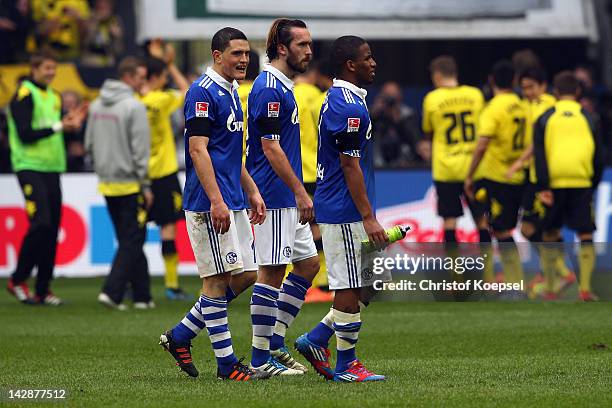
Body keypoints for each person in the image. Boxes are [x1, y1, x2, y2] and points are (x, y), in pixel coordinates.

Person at [158, 27, 269, 381]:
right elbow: (197, 149)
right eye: (236, 53)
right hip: (209, 203)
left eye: (247, 54)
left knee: (248, 273)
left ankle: (181, 335)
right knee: (216, 280)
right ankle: (226, 365)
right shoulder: (202, 93)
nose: (243, 60)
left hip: (232, 199)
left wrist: (250, 189)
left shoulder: (232, 91)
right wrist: (216, 199)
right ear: (217, 55)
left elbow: (228, 152)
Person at [295, 35, 386, 382]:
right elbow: (350, 166)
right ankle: (347, 365)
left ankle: (317, 339)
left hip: (346, 207)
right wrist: (368, 216)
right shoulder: (347, 106)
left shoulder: (344, 99)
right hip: (344, 210)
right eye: (367, 57)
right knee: (350, 286)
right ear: (351, 64)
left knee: (368, 285)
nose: (373, 62)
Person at [245, 18, 320, 376]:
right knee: (271, 273)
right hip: (274, 195)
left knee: (308, 265)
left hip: (285, 196)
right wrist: (299, 191)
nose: (309, 50)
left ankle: (274, 343)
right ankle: (260, 361)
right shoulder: (268, 88)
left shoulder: (284, 86)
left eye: (309, 43)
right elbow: (270, 147)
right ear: (281, 49)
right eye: (302, 44)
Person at [6, 50, 84, 305]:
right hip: (29, 166)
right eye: (47, 67)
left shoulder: (53, 95)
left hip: (52, 167)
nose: (51, 72)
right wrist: (60, 126)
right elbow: (25, 133)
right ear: (34, 68)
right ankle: (17, 279)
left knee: (51, 229)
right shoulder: (24, 93)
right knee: (41, 223)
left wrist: (71, 127)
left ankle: (42, 288)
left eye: (54, 68)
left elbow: (56, 130)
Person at [84, 56, 153, 310]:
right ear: (128, 77)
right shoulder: (133, 106)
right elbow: (140, 149)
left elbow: (89, 143)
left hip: (107, 182)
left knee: (130, 238)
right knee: (132, 240)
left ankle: (142, 296)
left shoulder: (95, 105)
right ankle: (112, 292)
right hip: (131, 183)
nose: (142, 83)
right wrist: (145, 184)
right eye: (140, 78)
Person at [505, 67, 575, 297]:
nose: (527, 92)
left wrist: (518, 163)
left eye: (531, 87)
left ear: (543, 86)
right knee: (533, 229)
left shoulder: (547, 106)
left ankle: (558, 271)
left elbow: (538, 143)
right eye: (523, 88)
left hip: (543, 179)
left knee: (535, 229)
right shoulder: (532, 105)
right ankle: (554, 270)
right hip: (534, 177)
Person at [534, 71, 604, 301]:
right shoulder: (589, 117)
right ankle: (584, 289)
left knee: (550, 233)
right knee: (585, 233)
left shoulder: (545, 118)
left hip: (553, 183)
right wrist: (593, 182)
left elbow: (540, 155)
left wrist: (543, 185)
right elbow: (599, 155)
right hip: (581, 181)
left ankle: (552, 289)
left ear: (555, 92)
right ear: (577, 92)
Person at [464, 60, 527, 295]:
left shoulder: (493, 108)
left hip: (497, 177)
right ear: (514, 80)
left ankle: (514, 283)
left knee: (500, 230)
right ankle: (491, 280)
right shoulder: (523, 106)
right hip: (517, 176)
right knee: (491, 225)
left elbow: (482, 145)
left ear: (492, 81)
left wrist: (470, 175)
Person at [139, 51, 191, 301]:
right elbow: (187, 91)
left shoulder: (133, 101)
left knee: (133, 233)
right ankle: (171, 284)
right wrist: (171, 66)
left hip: (138, 174)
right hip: (164, 172)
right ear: (158, 77)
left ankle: (130, 282)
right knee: (168, 228)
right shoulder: (160, 98)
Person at [421, 56, 488, 244]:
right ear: (455, 73)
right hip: (474, 168)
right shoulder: (475, 95)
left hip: (446, 169)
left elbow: (428, 130)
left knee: (449, 221)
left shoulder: (432, 99)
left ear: (436, 76)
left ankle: (454, 272)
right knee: (482, 220)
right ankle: (488, 270)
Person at [293, 62, 334, 303]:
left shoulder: (283, 93)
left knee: (289, 229)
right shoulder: (319, 97)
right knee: (318, 228)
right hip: (314, 169)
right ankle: (323, 282)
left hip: (288, 171)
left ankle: (290, 282)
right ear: (314, 74)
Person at [370, 81, 421, 166]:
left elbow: (415, 140)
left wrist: (397, 119)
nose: (390, 100)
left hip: (403, 163)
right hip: (377, 163)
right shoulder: (374, 114)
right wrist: (374, 114)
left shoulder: (408, 114)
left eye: (393, 95)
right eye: (387, 95)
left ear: (400, 97)